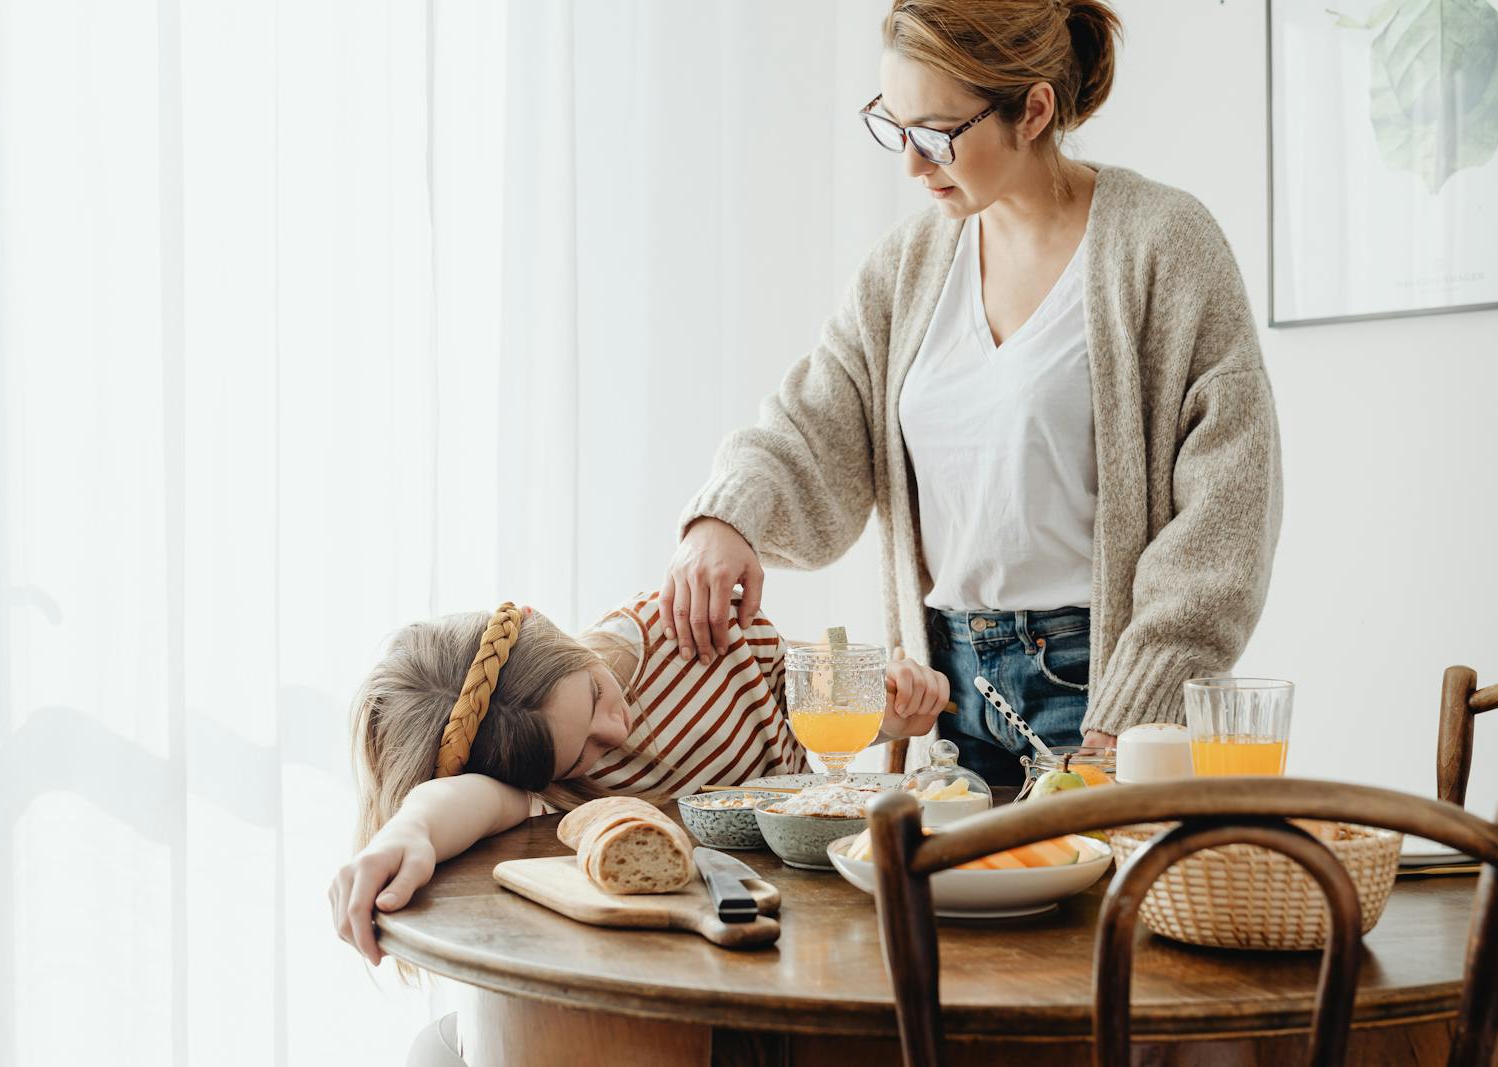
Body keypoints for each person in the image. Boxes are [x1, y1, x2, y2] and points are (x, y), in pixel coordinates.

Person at [662, 0, 1283, 786]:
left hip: (1101, 696)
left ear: (1033, 108)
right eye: (893, 125)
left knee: (1089, 912)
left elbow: (1228, 511)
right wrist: (728, 517)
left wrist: (1135, 707)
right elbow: (818, 419)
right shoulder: (907, 268)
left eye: (935, 133)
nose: (912, 166)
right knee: (939, 913)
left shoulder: (1164, 246)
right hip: (947, 698)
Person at [329, 590, 946, 966]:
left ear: (552, 630)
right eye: (584, 757)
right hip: (709, 951)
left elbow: (817, 696)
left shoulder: (687, 628)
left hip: (832, 913)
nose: (616, 734)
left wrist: (892, 714)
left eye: (596, 695)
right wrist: (406, 832)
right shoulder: (541, 775)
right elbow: (468, 800)